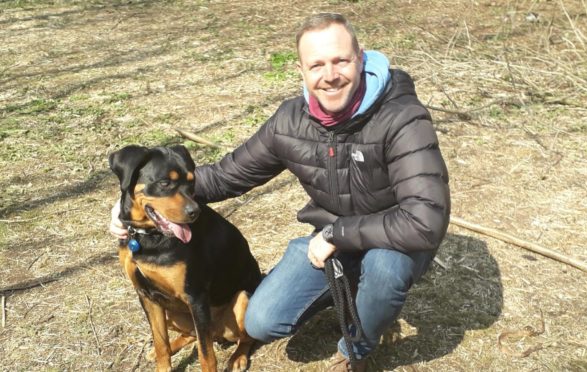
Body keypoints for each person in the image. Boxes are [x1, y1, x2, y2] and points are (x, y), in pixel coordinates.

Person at [110, 13, 450, 371]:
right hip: (333, 243)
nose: (330, 75)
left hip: (394, 240)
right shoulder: (291, 121)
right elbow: (226, 175)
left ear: (360, 58)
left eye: (341, 61)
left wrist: (338, 233)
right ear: (302, 70)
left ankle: (355, 350)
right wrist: (131, 202)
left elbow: (424, 220)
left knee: (382, 272)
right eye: (316, 64)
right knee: (261, 321)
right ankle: (350, 288)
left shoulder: (402, 118)